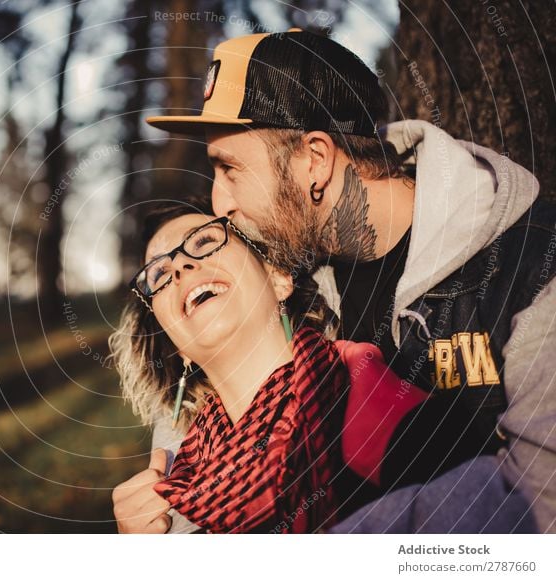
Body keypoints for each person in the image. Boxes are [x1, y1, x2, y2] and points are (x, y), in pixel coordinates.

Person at [115, 28, 556, 533]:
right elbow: (209, 390)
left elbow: (541, 505)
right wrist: (169, 518)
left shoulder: (531, 269)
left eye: (231, 169)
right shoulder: (296, 276)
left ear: (316, 161)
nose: (221, 204)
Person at [109, 198, 491, 534]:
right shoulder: (180, 479)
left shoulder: (359, 391)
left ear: (278, 278)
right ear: (179, 350)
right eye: (158, 273)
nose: (180, 269)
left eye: (205, 242)